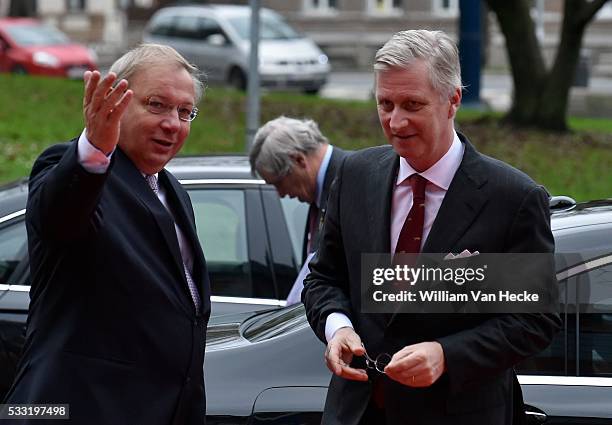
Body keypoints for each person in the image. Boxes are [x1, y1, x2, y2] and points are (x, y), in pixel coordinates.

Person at [302, 30, 561, 425]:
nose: (395, 121)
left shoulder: (512, 198)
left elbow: (533, 320)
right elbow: (324, 278)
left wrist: (446, 355)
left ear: (453, 100)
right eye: (384, 104)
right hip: (356, 412)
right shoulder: (356, 176)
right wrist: (338, 327)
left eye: (412, 104)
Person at [3, 44, 210, 424]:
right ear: (114, 102)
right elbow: (60, 220)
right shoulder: (76, 171)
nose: (174, 123)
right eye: (157, 105)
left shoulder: (173, 191)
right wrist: (95, 149)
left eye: (185, 112)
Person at [249, 116, 348, 304]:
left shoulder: (352, 183)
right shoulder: (322, 194)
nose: (280, 194)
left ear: (299, 160)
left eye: (279, 182)